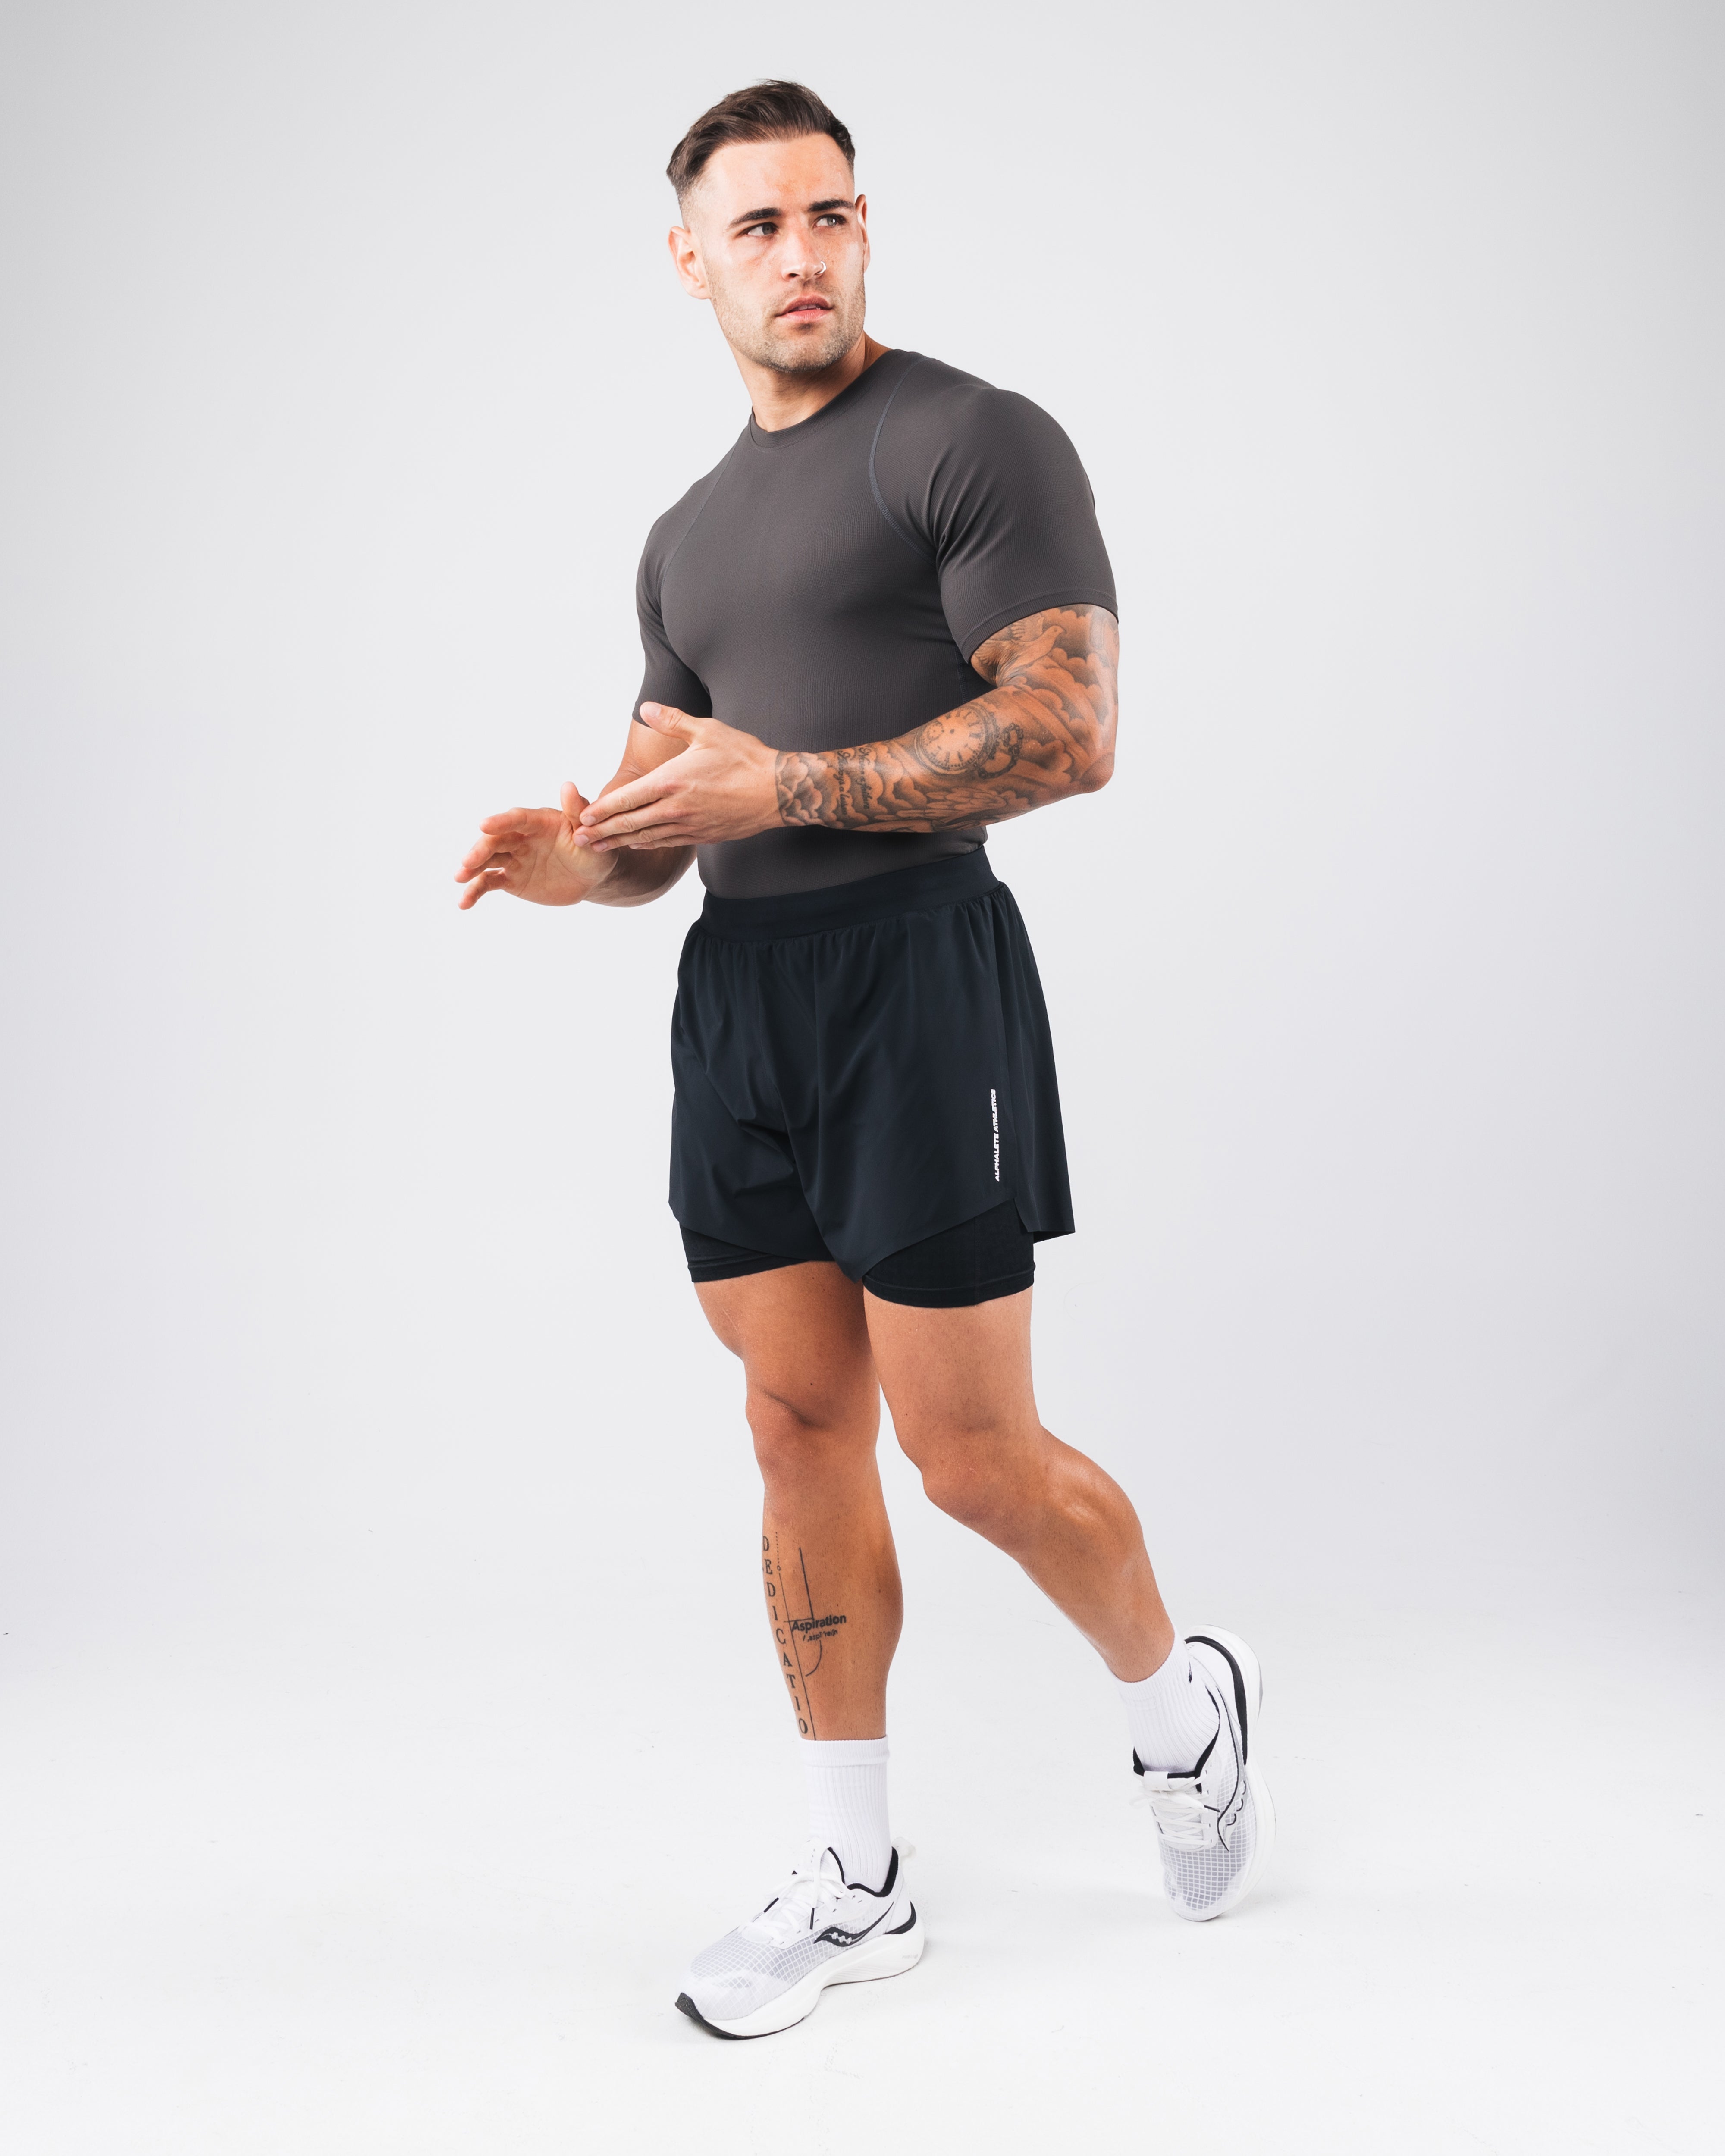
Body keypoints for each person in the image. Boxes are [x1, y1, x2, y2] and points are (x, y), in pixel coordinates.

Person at [455, 79, 1274, 2041]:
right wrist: (583, 863)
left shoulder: (972, 440)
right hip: (741, 1000)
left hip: (917, 975)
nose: (800, 254)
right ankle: (858, 1877)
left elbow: (1070, 731)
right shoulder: (684, 539)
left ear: (865, 228)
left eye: (828, 215)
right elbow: (664, 823)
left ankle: (1182, 1703)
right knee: (792, 1425)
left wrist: (794, 784)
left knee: (969, 1456)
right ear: (691, 262)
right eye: (757, 226)